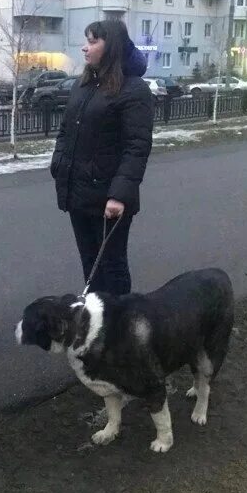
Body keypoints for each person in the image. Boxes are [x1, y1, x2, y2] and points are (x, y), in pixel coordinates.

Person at [50, 20, 153, 296]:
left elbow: (137, 147)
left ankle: (120, 329)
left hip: (109, 199)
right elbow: (65, 131)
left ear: (112, 48)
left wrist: (119, 195)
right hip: (78, 192)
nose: (85, 47)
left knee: (112, 267)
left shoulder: (133, 90)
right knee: (90, 265)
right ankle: (95, 326)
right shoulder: (82, 85)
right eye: (87, 40)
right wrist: (58, 163)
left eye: (93, 41)